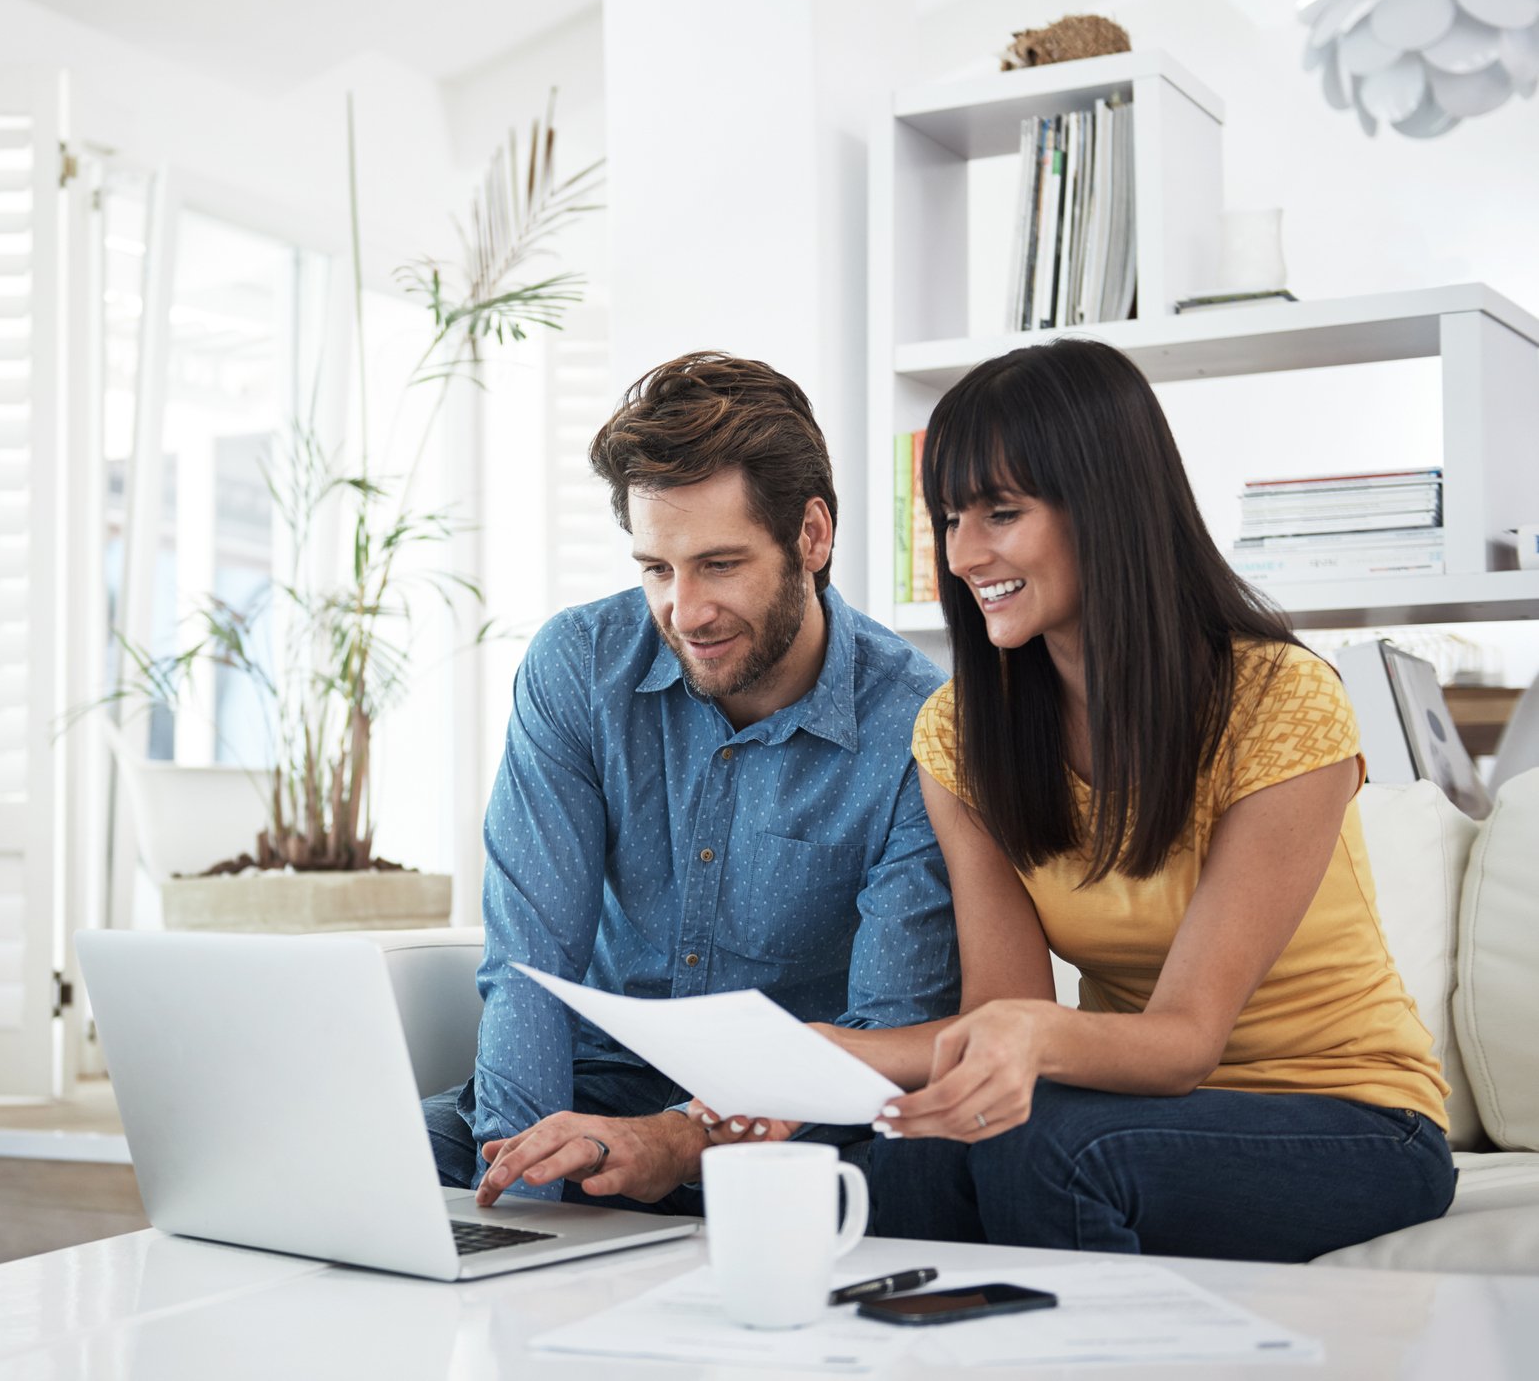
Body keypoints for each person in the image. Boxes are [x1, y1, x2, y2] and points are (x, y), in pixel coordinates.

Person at [721, 338, 1455, 1261]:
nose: (962, 553)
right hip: (1137, 1108)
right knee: (903, 1155)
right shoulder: (959, 733)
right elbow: (1003, 1011)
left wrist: (988, 1044)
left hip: (1347, 1117)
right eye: (950, 517)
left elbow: (1184, 1041)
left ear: (1107, 509)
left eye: (1000, 513)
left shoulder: (1278, 700)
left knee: (1046, 1153)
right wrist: (816, 1054)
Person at [421, 350, 958, 1213]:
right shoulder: (579, 668)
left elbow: (884, 1029)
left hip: (787, 1131)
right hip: (584, 1095)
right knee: (364, 1171)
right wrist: (520, 1189)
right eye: (655, 569)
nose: (684, 611)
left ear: (811, 537)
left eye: (719, 564)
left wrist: (679, 1139)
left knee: (910, 1181)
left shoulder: (917, 729)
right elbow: (528, 963)